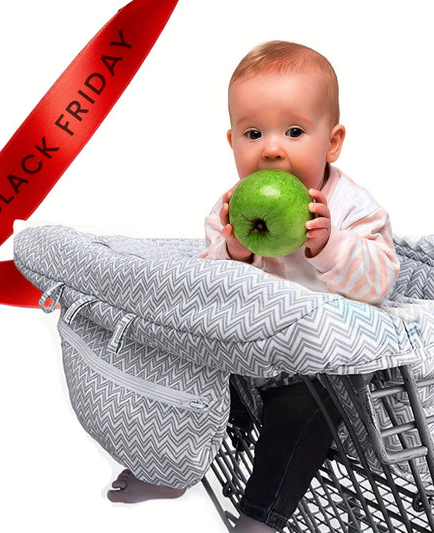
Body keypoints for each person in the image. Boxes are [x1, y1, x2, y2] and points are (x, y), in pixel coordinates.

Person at [108, 41, 400, 533]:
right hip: (252, 361)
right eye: (252, 132)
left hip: (321, 366)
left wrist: (331, 244)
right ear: (232, 142)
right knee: (181, 363)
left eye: (293, 131)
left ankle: (259, 518)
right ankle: (171, 467)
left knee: (308, 409)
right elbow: (210, 293)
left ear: (331, 142)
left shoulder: (352, 208)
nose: (271, 147)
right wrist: (233, 253)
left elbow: (380, 283)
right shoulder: (230, 211)